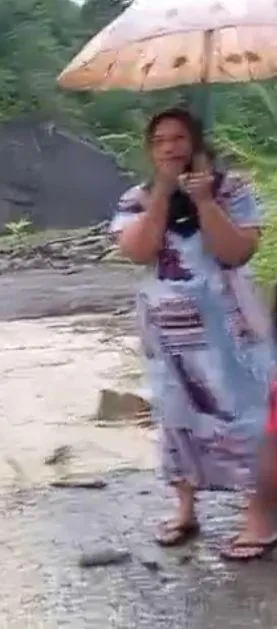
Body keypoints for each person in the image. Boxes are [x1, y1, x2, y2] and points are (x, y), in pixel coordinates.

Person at [112, 106, 275, 561]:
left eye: (179, 138)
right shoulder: (135, 198)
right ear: (150, 150)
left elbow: (236, 252)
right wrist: (163, 194)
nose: (170, 147)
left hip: (230, 329)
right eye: (160, 140)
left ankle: (258, 516)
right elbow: (138, 250)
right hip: (166, 330)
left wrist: (205, 202)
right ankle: (185, 508)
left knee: (247, 414)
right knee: (175, 413)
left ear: (196, 143)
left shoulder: (232, 189)